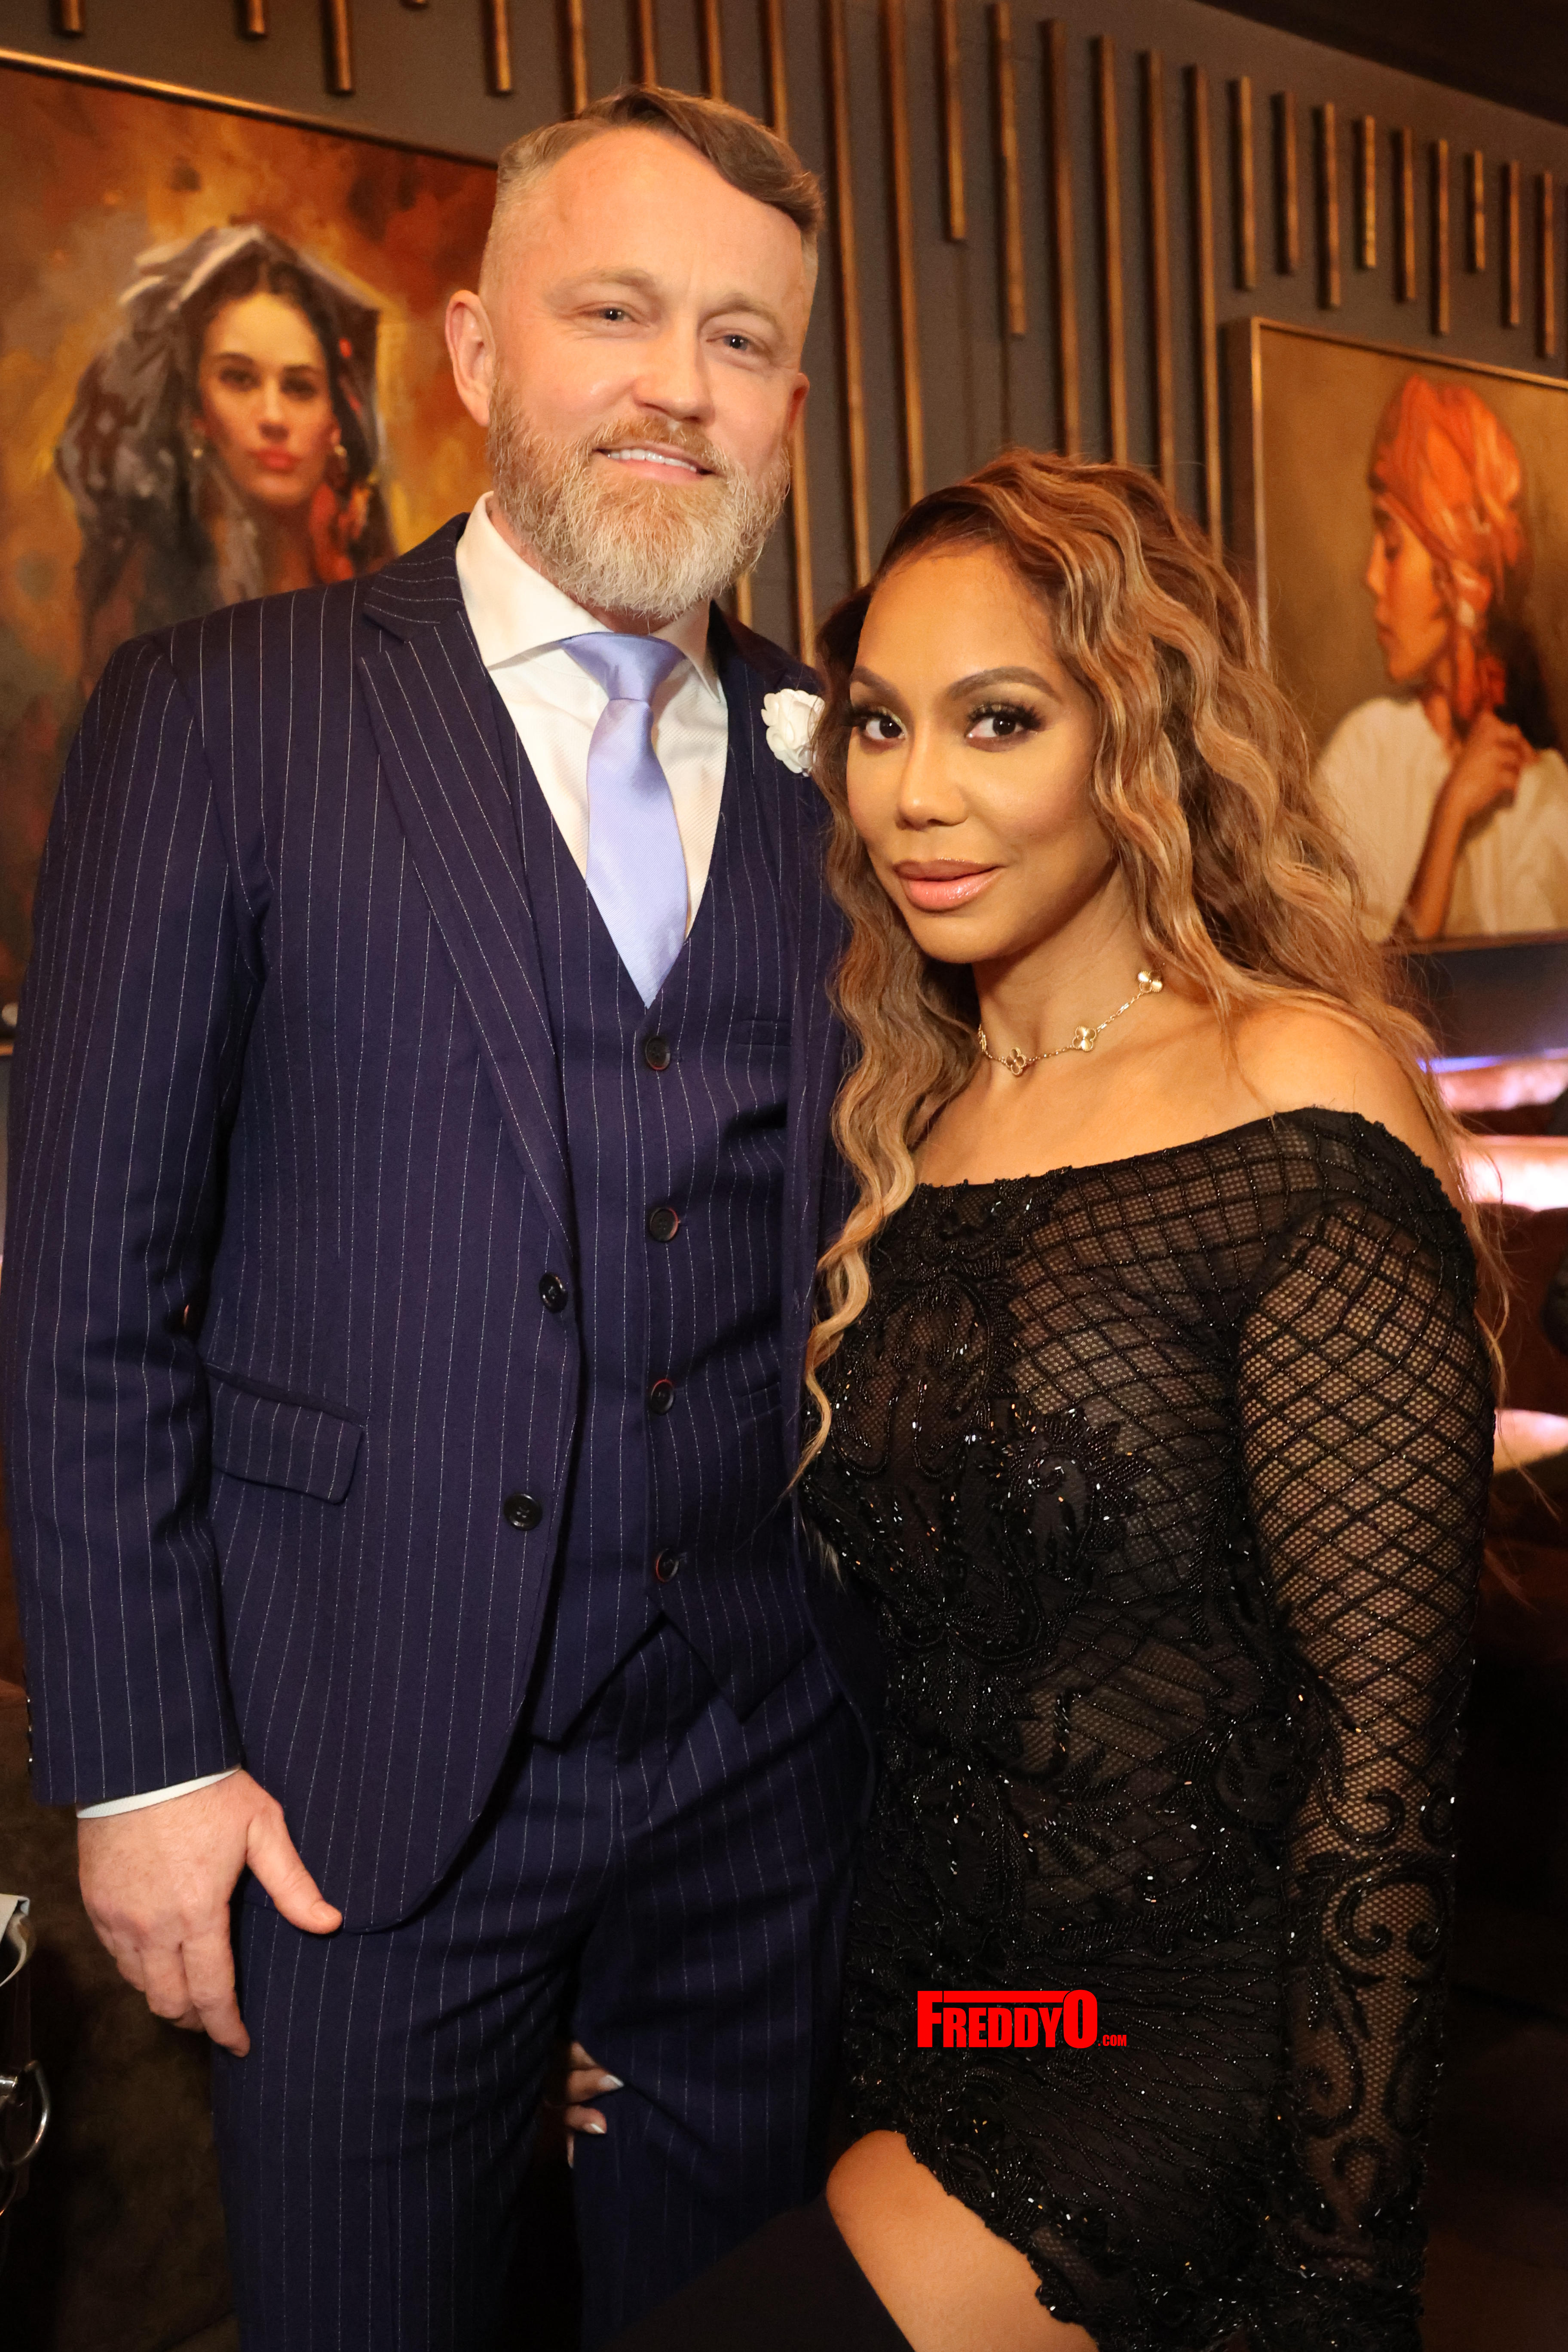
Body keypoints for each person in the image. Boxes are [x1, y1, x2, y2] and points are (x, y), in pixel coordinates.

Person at [3, 87, 879, 2351]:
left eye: (742, 339)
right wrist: (143, 1764)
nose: (679, 384)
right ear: (479, 352)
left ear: (791, 406)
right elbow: (87, 1294)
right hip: (348, 1787)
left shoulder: (857, 764)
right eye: (616, 314)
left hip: (761, 1785)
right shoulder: (218, 718)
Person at [594, 451, 1495, 2351]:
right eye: (878, 724)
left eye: (996, 720)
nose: (915, 790)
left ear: (1131, 733)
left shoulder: (1287, 1095)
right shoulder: (904, 1116)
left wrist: (1340, 2272)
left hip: (1162, 2046)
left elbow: (1379, 1767)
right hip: (925, 2009)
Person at [56, 223, 394, 695]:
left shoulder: (379, 594)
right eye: (239, 379)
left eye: (299, 388)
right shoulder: (146, 605)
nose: (273, 417)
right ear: (197, 412)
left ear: (336, 419)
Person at [1315, 371, 1568, 939]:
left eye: (1392, 546)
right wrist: (1451, 812)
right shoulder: (1366, 750)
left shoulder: (1549, 794)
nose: (1371, 576)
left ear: (1456, 575)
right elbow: (1341, 981)